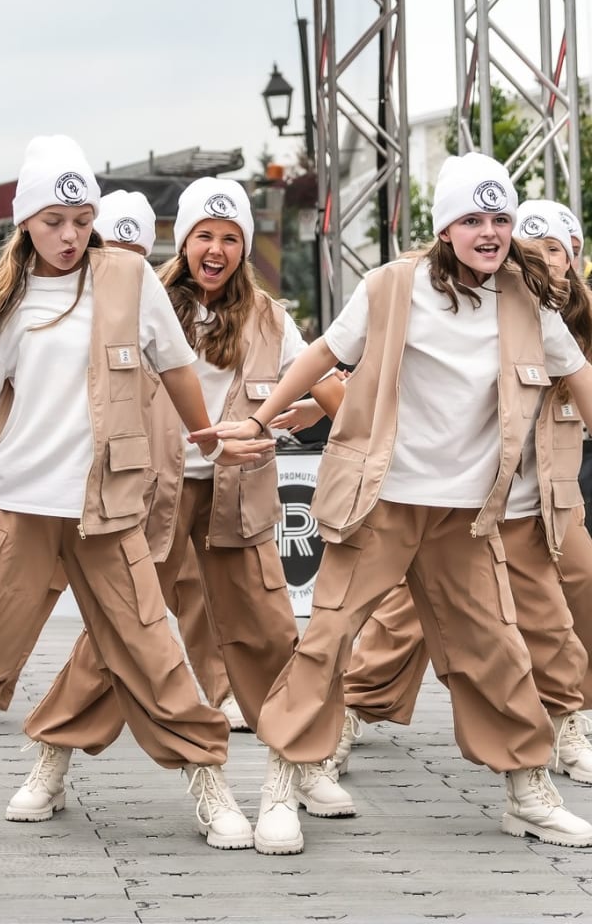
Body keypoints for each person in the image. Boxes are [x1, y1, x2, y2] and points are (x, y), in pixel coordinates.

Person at [0, 135, 274, 857]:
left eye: (80, 217)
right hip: (13, 506)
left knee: (151, 648)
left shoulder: (128, 280)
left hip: (107, 509)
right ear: (25, 223)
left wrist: (205, 437)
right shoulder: (3, 301)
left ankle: (208, 781)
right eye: (52, 220)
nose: (70, 235)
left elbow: (176, 367)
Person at [216, 153, 592, 854]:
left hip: (466, 517)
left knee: (495, 648)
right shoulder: (395, 286)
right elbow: (324, 353)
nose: (490, 232)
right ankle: (281, 781)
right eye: (473, 219)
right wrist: (260, 418)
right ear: (445, 227)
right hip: (381, 503)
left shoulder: (528, 301)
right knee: (327, 640)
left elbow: (579, 377)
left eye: (501, 219)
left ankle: (527, 789)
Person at [9, 178, 348, 825]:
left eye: (229, 237)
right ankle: (52, 758)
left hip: (240, 494)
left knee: (271, 632)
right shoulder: (142, 298)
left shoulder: (270, 316)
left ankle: (303, 764)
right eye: (204, 235)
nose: (215, 248)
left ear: (243, 248)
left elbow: (325, 381)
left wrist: (330, 414)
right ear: (184, 242)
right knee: (122, 631)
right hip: (152, 493)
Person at [335, 199, 592, 787]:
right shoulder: (472, 300)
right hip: (458, 501)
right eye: (531, 245)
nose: (542, 257)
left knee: (560, 612)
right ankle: (350, 709)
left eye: (554, 247)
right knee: (406, 620)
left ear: (575, 257)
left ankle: (563, 720)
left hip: (538, 501)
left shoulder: (570, 320)